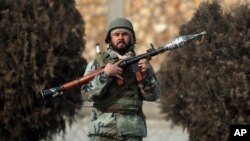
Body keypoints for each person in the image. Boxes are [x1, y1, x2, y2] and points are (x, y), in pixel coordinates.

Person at [81, 18, 161, 141]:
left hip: (132, 131)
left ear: (132, 38)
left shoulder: (141, 64)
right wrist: (105, 75)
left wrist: (145, 76)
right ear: (109, 39)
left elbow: (153, 96)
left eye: (125, 34)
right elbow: (86, 95)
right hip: (102, 131)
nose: (120, 37)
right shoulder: (97, 64)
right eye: (116, 34)